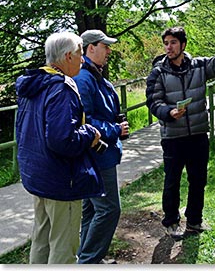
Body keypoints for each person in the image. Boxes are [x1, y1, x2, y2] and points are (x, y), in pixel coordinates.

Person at [146, 26, 215, 241]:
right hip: (173, 137)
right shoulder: (158, 72)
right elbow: (153, 102)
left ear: (183, 44)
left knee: (198, 180)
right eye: (166, 43)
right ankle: (171, 222)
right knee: (172, 181)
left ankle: (194, 221)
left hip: (199, 135)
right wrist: (168, 111)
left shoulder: (198, 66)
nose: (168, 47)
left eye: (173, 42)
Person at [15, 32, 105, 264]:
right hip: (60, 180)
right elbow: (63, 140)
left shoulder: (34, 85)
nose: (83, 60)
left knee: (41, 240)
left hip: (37, 176)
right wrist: (89, 134)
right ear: (67, 56)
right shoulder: (62, 88)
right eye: (79, 54)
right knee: (63, 247)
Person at [73, 29, 129, 264]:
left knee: (91, 210)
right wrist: (115, 129)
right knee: (108, 210)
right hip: (97, 155)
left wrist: (116, 123)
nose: (108, 50)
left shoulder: (95, 76)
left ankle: (85, 257)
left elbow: (101, 112)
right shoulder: (84, 79)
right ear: (90, 48)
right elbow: (85, 120)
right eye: (104, 46)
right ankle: (88, 261)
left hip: (100, 153)